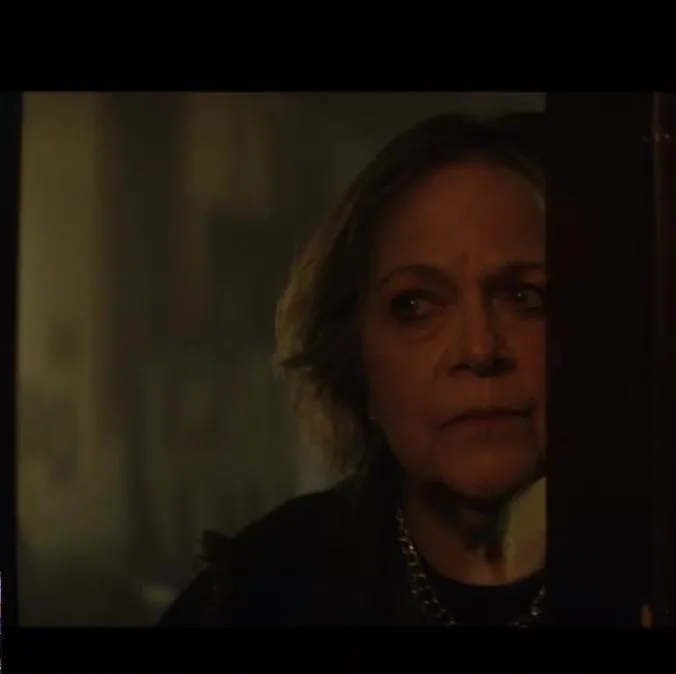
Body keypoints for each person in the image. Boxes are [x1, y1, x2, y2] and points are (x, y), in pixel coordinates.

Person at [161, 111, 546, 626]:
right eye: (414, 305)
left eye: (524, 297)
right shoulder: (251, 597)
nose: (479, 349)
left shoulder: (658, 570)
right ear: (355, 357)